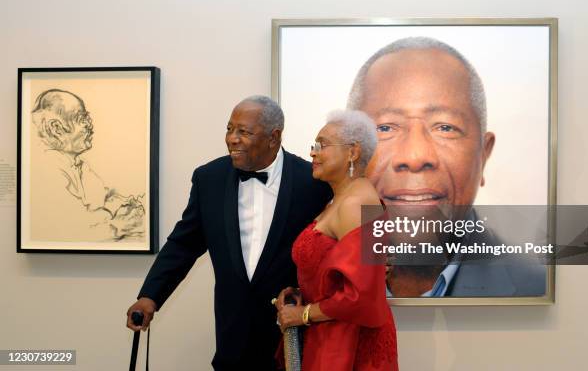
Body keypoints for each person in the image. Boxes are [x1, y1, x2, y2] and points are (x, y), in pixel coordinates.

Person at [126, 96, 332, 370]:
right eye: (229, 129)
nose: (232, 139)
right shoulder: (209, 178)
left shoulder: (313, 181)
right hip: (232, 337)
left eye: (243, 132)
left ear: (274, 137)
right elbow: (183, 244)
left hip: (294, 339)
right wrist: (150, 295)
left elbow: (350, 226)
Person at [347, 36, 545, 297]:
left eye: (445, 127)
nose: (415, 156)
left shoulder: (536, 288)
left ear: (483, 155)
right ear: (349, 156)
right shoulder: (301, 283)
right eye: (384, 128)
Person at [275, 110, 398, 371]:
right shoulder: (342, 199)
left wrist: (303, 314)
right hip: (333, 334)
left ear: (352, 152)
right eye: (314, 145)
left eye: (323, 145)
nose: (313, 153)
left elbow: (360, 296)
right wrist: (302, 294)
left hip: (350, 345)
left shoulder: (356, 204)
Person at [30, 89, 144, 241]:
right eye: (81, 119)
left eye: (87, 118)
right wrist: (121, 223)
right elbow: (75, 228)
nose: (89, 125)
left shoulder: (81, 165)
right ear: (56, 128)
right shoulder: (47, 169)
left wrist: (126, 205)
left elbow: (107, 197)